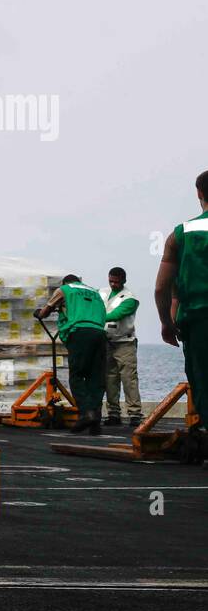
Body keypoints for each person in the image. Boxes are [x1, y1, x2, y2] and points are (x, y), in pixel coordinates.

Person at [154, 170, 208, 448]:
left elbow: (162, 287)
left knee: (203, 380)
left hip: (198, 320)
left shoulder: (182, 234)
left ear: (199, 193)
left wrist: (166, 322)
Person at [34, 274, 109, 434]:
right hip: (99, 333)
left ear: (65, 282)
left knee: (77, 375)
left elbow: (46, 311)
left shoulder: (65, 290)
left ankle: (86, 413)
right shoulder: (94, 292)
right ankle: (95, 419)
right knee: (95, 378)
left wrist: (39, 314)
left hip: (79, 332)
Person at [101, 266, 142, 426]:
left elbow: (117, 315)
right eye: (111, 281)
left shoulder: (130, 299)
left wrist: (95, 317)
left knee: (128, 379)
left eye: (116, 282)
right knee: (110, 379)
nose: (113, 284)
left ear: (124, 281)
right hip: (107, 342)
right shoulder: (102, 293)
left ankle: (135, 414)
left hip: (125, 343)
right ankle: (113, 414)